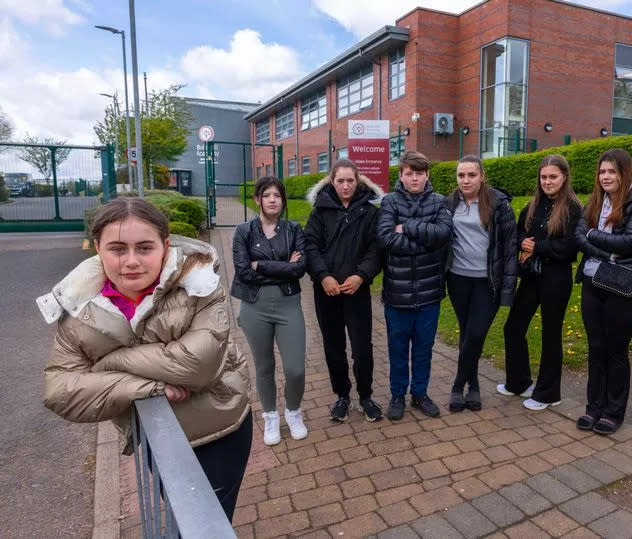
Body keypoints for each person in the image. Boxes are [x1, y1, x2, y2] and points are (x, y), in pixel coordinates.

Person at [37, 197, 252, 521]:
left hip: (221, 428)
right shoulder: (79, 306)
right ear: (98, 247)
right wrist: (147, 388)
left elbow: (197, 367)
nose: (132, 261)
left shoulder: (200, 284)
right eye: (118, 248)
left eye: (145, 248)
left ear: (165, 246)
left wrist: (109, 363)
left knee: (209, 522)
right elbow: (59, 389)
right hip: (155, 439)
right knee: (181, 517)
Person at [574, 148, 632, 435]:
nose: (606, 177)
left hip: (623, 284)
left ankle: (613, 411)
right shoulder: (595, 201)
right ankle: (593, 407)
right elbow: (577, 236)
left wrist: (595, 236)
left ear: (625, 173)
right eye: (602, 171)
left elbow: (630, 241)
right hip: (594, 280)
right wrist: (606, 250)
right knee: (596, 348)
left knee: (616, 350)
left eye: (612, 172)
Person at [498, 154, 582, 411]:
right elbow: (521, 231)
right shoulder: (534, 204)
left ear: (564, 177)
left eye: (553, 177)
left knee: (550, 333)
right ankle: (519, 382)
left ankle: (548, 393)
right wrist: (523, 242)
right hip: (532, 274)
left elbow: (570, 247)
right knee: (513, 327)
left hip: (556, 277)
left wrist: (538, 247)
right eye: (544, 177)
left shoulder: (573, 208)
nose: (547, 182)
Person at [304, 159, 384, 422]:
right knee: (333, 346)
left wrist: (361, 276)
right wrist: (323, 276)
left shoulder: (370, 212)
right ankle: (342, 395)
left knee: (362, 347)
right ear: (332, 181)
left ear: (358, 180)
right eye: (340, 181)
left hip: (356, 291)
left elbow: (376, 249)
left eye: (350, 180)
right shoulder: (320, 211)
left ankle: (365, 396)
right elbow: (310, 246)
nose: (346, 185)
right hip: (327, 292)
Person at [231, 176, 308, 445]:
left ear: (283, 200)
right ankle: (271, 417)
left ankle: (293, 411)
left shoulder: (295, 229)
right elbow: (243, 272)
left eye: (277, 195)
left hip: (289, 305)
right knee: (264, 366)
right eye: (267, 195)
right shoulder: (243, 231)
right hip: (255, 308)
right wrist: (282, 267)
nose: (272, 200)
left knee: (296, 368)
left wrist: (259, 265)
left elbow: (300, 269)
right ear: (257, 199)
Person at [377, 150, 453, 420]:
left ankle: (419, 393)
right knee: (397, 350)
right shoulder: (389, 202)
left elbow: (443, 234)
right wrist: (424, 238)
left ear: (427, 174)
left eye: (419, 173)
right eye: (409, 173)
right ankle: (398, 394)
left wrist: (406, 226)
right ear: (401, 175)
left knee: (423, 349)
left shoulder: (440, 202)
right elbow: (386, 238)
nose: (414, 178)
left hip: (429, 293)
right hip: (397, 294)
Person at [446, 155, 517, 412]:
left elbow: (510, 249)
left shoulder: (499, 204)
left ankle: (457, 385)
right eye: (461, 175)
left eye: (471, 175)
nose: (465, 180)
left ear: (482, 176)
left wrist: (508, 291)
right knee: (467, 334)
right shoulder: (449, 203)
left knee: (476, 334)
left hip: (488, 282)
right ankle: (473, 387)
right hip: (457, 279)